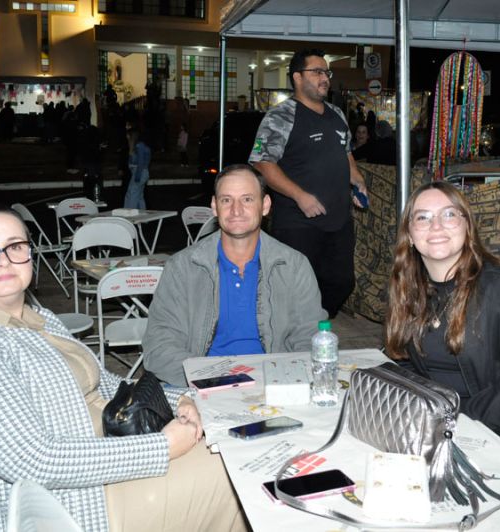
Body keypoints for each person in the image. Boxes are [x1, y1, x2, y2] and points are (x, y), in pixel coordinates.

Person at [0, 205, 246, 532]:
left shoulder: (39, 319)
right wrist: (163, 447)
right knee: (241, 469)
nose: (4, 260)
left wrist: (179, 400)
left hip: (110, 464)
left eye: (15, 246)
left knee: (240, 444)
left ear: (29, 256)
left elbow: (108, 384)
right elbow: (33, 461)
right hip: (73, 506)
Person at [384, 182, 500, 470]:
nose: (436, 226)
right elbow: (406, 364)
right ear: (410, 235)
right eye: (423, 217)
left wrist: (455, 421)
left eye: (449, 214)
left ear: (467, 226)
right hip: (438, 432)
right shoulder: (407, 287)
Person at [142, 164, 327, 386]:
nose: (236, 210)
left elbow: (310, 338)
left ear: (265, 205)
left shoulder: (293, 265)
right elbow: (159, 346)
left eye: (247, 199)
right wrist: (213, 380)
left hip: (274, 382)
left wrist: (284, 380)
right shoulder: (183, 267)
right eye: (226, 200)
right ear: (214, 206)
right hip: (202, 382)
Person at [250, 48, 368, 318]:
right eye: (317, 72)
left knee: (342, 282)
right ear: (297, 77)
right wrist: (300, 196)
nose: (324, 78)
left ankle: (316, 325)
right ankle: (299, 333)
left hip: (339, 221)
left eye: (326, 72)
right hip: (298, 223)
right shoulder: (281, 116)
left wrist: (357, 180)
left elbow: (346, 153)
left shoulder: (337, 114)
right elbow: (262, 163)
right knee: (297, 288)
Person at [123, 128, 151, 209]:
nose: (127, 137)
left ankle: (129, 212)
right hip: (140, 172)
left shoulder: (140, 145)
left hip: (140, 172)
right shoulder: (136, 146)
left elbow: (141, 162)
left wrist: (137, 176)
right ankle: (141, 213)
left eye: (128, 135)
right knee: (139, 195)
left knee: (132, 193)